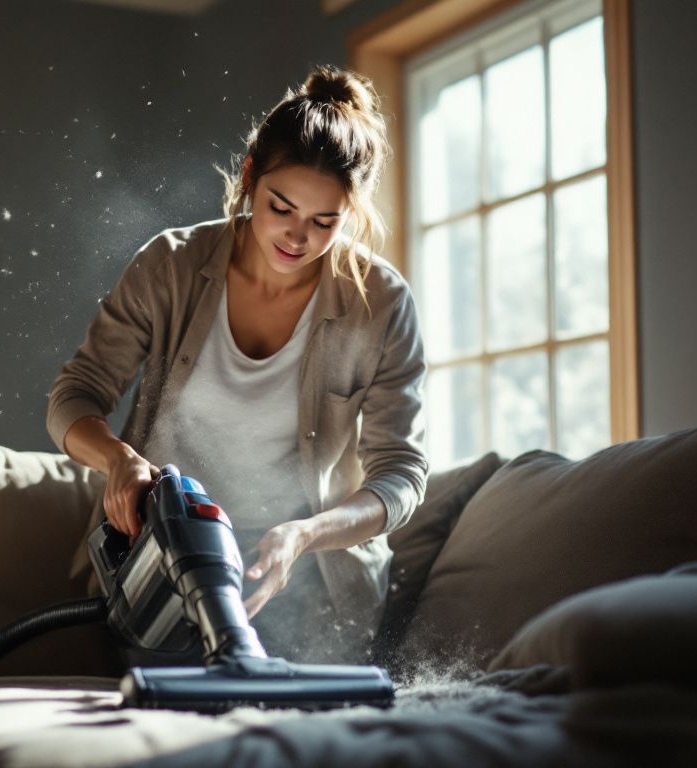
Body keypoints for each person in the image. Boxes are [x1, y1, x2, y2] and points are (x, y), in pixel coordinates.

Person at [46, 65, 427, 662]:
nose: (297, 237)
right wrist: (120, 461)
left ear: (349, 213)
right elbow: (75, 395)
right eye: (282, 207)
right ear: (250, 176)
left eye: (324, 222)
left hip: (310, 579)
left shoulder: (380, 303)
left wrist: (303, 537)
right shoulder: (170, 266)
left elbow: (400, 475)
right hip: (163, 557)